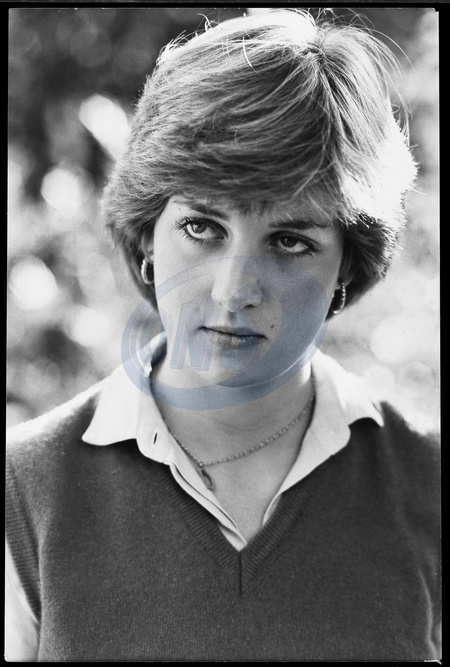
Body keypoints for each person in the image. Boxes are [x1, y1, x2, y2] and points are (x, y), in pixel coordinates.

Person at [6, 8, 440, 662]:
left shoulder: (427, 485)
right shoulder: (23, 491)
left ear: (347, 267)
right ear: (148, 237)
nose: (234, 290)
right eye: (202, 227)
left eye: (289, 241)